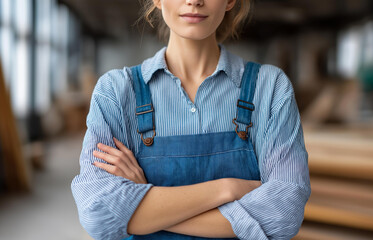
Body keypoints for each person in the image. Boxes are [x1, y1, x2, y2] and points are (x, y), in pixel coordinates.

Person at [71, 0, 311, 239]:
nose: (194, 1)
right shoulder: (116, 92)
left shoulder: (269, 88)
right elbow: (98, 213)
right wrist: (227, 189)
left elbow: (283, 215)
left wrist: (145, 206)